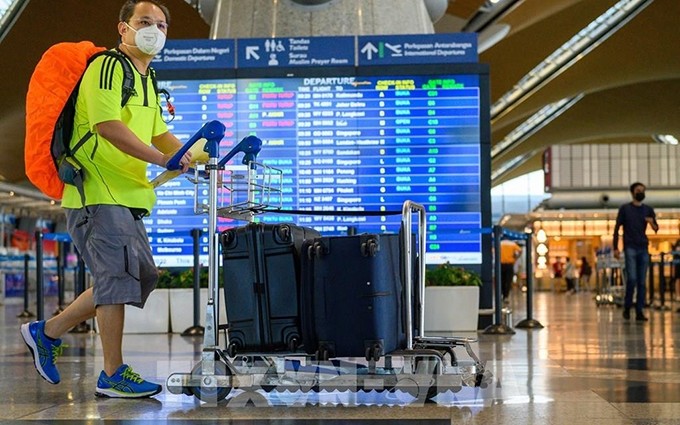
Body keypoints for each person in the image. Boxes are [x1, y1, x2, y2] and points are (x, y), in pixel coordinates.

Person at [20, 0, 191, 398]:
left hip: (127, 194)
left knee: (137, 276)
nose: (154, 30)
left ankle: (45, 332)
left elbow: (161, 135)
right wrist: (164, 159)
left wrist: (200, 155)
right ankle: (112, 374)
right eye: (144, 22)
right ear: (123, 28)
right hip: (95, 190)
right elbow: (107, 125)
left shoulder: (147, 79)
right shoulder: (108, 67)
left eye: (162, 25)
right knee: (116, 279)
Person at [613, 182, 658, 322]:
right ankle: (627, 307)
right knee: (632, 279)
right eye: (638, 190)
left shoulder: (648, 210)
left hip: (643, 247)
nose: (641, 193)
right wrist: (616, 247)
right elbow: (617, 229)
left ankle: (639, 311)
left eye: (643, 191)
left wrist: (651, 223)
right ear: (633, 192)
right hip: (630, 247)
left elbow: (656, 228)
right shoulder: (625, 209)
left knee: (642, 282)